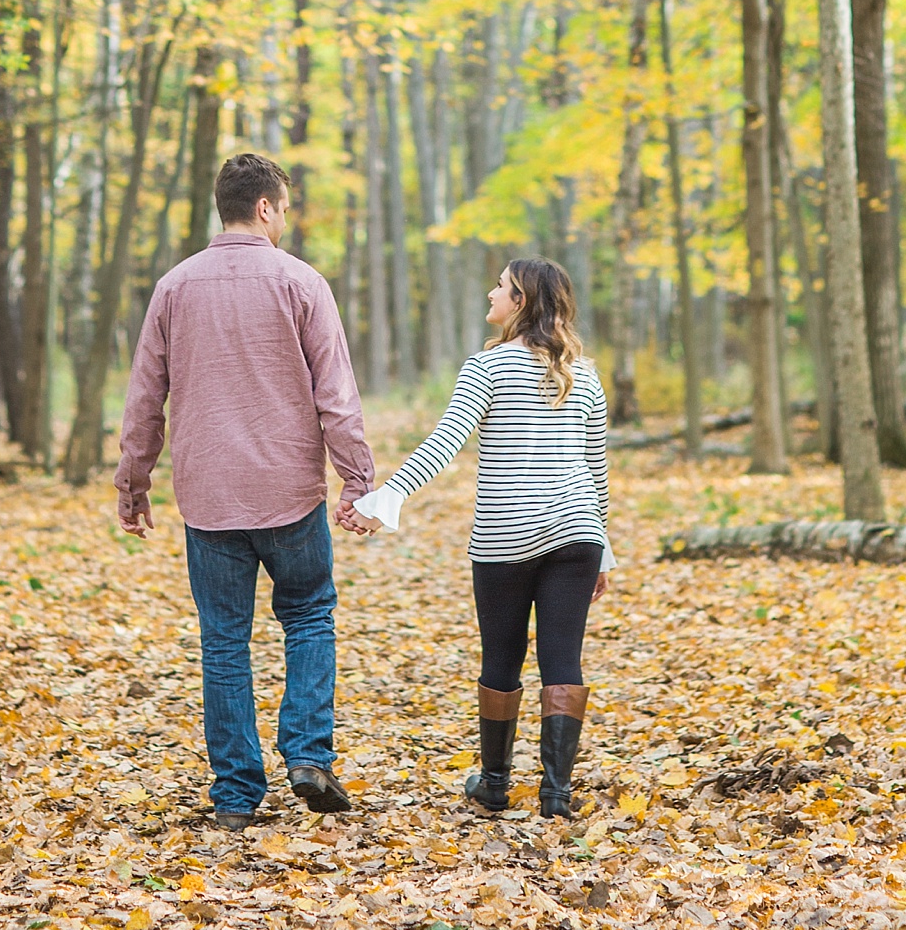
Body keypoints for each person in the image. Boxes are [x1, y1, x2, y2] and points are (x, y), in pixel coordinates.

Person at [115, 151, 379, 829]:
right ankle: (308, 754)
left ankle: (235, 793)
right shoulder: (302, 282)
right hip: (290, 489)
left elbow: (146, 396)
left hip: (208, 497)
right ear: (264, 205)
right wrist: (358, 479)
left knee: (224, 640)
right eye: (284, 207)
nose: (285, 219)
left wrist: (134, 479)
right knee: (310, 612)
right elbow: (338, 398)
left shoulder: (174, 287)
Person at [350, 257, 612, 821]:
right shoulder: (582, 373)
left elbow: (447, 441)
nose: (490, 292)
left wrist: (386, 499)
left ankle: (494, 785)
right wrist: (604, 551)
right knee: (563, 658)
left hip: (507, 537)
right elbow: (595, 469)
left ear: (520, 302)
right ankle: (556, 796)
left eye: (500, 286)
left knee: (503, 657)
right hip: (577, 536)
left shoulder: (487, 368)